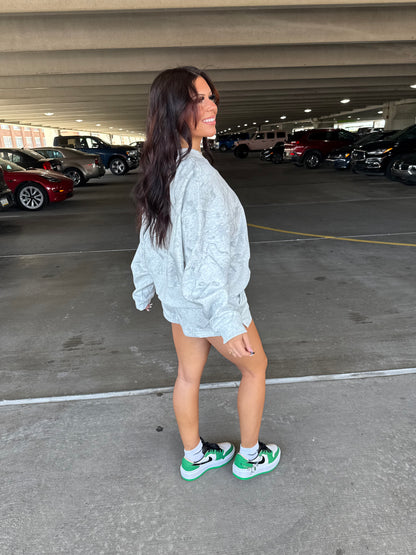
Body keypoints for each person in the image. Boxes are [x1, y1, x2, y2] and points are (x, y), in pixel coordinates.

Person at [131, 66, 280, 481]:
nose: (211, 106)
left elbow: (149, 239)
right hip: (213, 304)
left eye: (210, 96)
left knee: (187, 376)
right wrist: (227, 320)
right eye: (197, 99)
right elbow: (209, 258)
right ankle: (249, 456)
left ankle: (195, 456)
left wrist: (145, 286)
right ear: (173, 110)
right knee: (256, 369)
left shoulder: (162, 169)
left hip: (182, 303)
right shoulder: (202, 180)